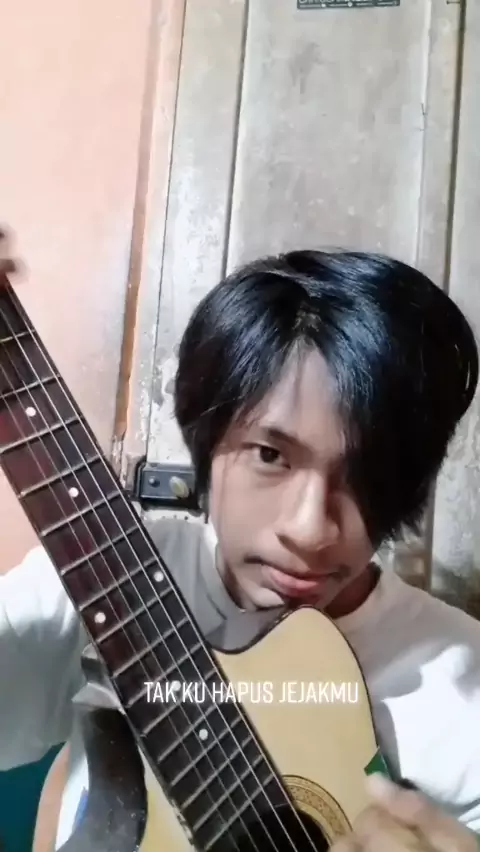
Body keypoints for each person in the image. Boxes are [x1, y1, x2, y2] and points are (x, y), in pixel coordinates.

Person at [0, 234, 480, 852]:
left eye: (367, 474)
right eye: (270, 455)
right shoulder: (101, 566)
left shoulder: (460, 682)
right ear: (208, 438)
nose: (311, 530)